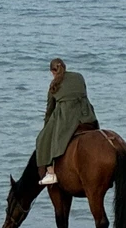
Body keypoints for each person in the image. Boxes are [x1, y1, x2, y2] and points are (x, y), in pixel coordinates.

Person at [36, 58, 98, 186]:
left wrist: (46, 127)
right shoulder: (79, 77)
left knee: (42, 139)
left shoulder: (54, 85)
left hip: (68, 118)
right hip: (86, 115)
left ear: (53, 71)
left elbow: (49, 110)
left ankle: (51, 173)